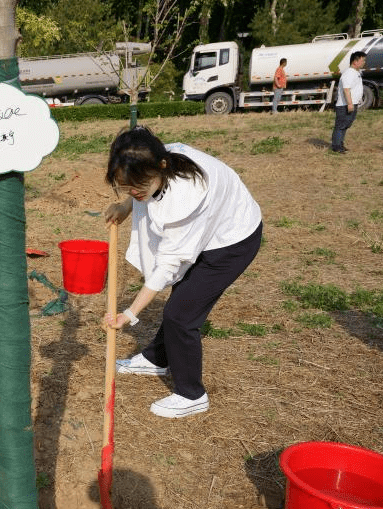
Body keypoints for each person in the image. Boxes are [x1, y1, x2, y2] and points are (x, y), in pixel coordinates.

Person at [101, 126, 263, 419]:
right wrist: (127, 205)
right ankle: (156, 359)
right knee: (181, 300)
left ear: (160, 166)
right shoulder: (155, 156)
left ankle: (192, 394)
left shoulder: (187, 200)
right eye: (126, 187)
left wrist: (130, 313)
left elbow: (167, 265)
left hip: (232, 241)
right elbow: (137, 183)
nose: (134, 193)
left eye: (138, 186)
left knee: (181, 315)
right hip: (212, 228)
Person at [330, 50, 367, 154]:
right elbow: (346, 89)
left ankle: (340, 144)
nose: (364, 62)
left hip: (351, 103)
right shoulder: (349, 73)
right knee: (341, 126)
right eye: (362, 60)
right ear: (355, 61)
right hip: (344, 105)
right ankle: (336, 147)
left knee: (345, 125)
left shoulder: (356, 72)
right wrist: (349, 104)